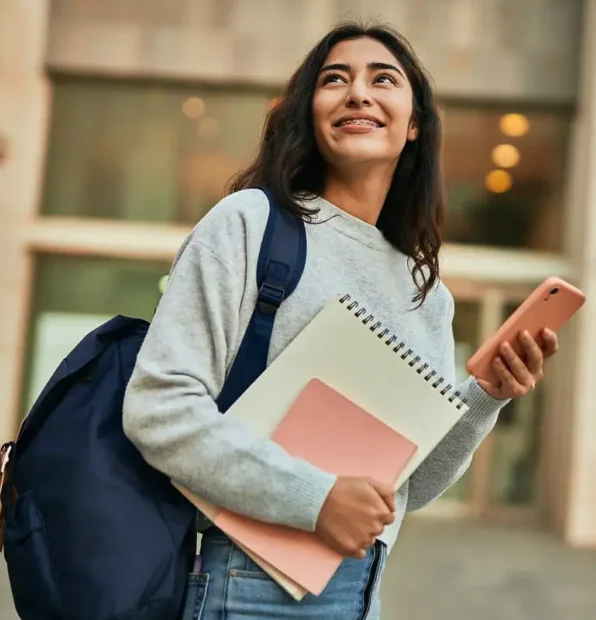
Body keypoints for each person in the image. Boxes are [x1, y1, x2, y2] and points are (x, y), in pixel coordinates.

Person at [122, 20, 558, 620]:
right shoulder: (249, 224)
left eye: (383, 80)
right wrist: (316, 498)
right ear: (309, 113)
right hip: (246, 587)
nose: (357, 94)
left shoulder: (426, 294)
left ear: (414, 124)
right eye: (334, 80)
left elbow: (409, 488)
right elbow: (159, 408)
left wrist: (486, 395)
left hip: (361, 593)